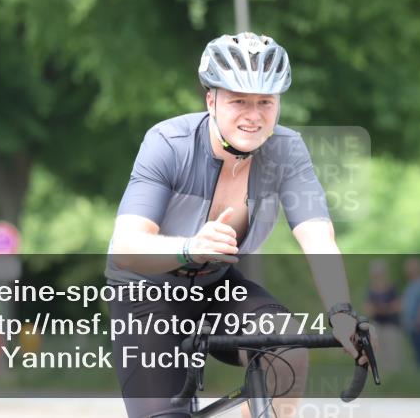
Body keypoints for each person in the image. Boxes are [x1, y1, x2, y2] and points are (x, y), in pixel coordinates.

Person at [106, 32, 364, 418]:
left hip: (216, 284)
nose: (253, 114)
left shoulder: (286, 151)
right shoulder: (168, 143)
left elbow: (318, 237)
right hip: (147, 291)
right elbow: (126, 248)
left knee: (287, 350)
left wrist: (342, 314)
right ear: (211, 100)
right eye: (238, 100)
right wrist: (190, 248)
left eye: (265, 101)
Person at [364, 259, 403, 376]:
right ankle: (382, 376)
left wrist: (381, 309)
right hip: (377, 324)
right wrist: (386, 308)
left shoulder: (392, 289)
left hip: (391, 325)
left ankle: (394, 377)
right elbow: (368, 309)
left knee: (392, 351)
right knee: (377, 352)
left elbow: (397, 306)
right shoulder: (371, 290)